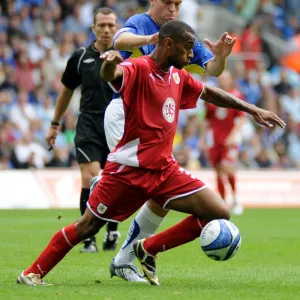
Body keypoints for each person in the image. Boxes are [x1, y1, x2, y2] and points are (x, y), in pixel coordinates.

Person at [17, 20, 285, 286]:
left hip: (164, 171)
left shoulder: (177, 76)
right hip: (128, 171)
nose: (191, 54)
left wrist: (252, 109)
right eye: (188, 48)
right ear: (168, 44)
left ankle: (147, 249)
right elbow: (112, 75)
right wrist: (110, 62)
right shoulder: (138, 67)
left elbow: (210, 93)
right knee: (87, 226)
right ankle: (32, 272)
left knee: (218, 211)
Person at [102, 0, 237, 281]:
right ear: (153, 1)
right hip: (126, 113)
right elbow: (119, 39)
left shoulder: (183, 35)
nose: (173, 8)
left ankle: (130, 254)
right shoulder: (143, 22)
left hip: (156, 117)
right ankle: (104, 191)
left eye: (177, 3)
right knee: (151, 187)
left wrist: (221, 57)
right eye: (168, 2)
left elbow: (212, 71)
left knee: (160, 192)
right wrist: (150, 38)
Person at [45, 7, 121, 253]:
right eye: (102, 25)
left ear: (117, 27)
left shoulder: (126, 57)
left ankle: (111, 231)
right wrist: (55, 124)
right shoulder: (80, 56)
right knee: (91, 179)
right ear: (94, 28)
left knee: (113, 183)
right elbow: (66, 90)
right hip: (88, 125)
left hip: (117, 128)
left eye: (111, 25)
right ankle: (88, 239)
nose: (107, 30)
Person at [203, 70, 245, 215]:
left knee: (228, 169)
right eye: (221, 78)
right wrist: (203, 138)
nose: (223, 81)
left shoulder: (236, 95)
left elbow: (240, 118)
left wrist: (233, 135)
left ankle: (235, 199)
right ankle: (223, 202)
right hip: (215, 141)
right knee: (219, 171)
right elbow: (207, 120)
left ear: (230, 80)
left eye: (226, 78)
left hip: (229, 141)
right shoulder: (212, 97)